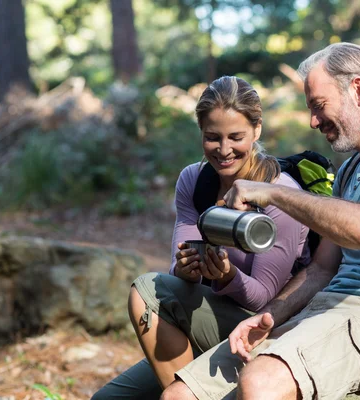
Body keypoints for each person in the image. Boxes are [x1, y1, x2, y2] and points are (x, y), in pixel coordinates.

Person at [159, 43, 360, 400]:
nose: (313, 121)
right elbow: (322, 270)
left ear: (358, 90)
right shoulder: (352, 170)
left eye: (318, 106)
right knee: (179, 396)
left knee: (261, 382)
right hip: (326, 307)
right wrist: (271, 315)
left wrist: (273, 193)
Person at [92, 76, 311, 399]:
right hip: (207, 320)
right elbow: (177, 277)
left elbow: (265, 298)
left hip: (263, 329)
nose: (224, 150)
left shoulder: (280, 195)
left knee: (146, 290)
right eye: (212, 138)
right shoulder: (194, 181)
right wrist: (185, 270)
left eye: (236, 137)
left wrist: (228, 276)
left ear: (257, 130)